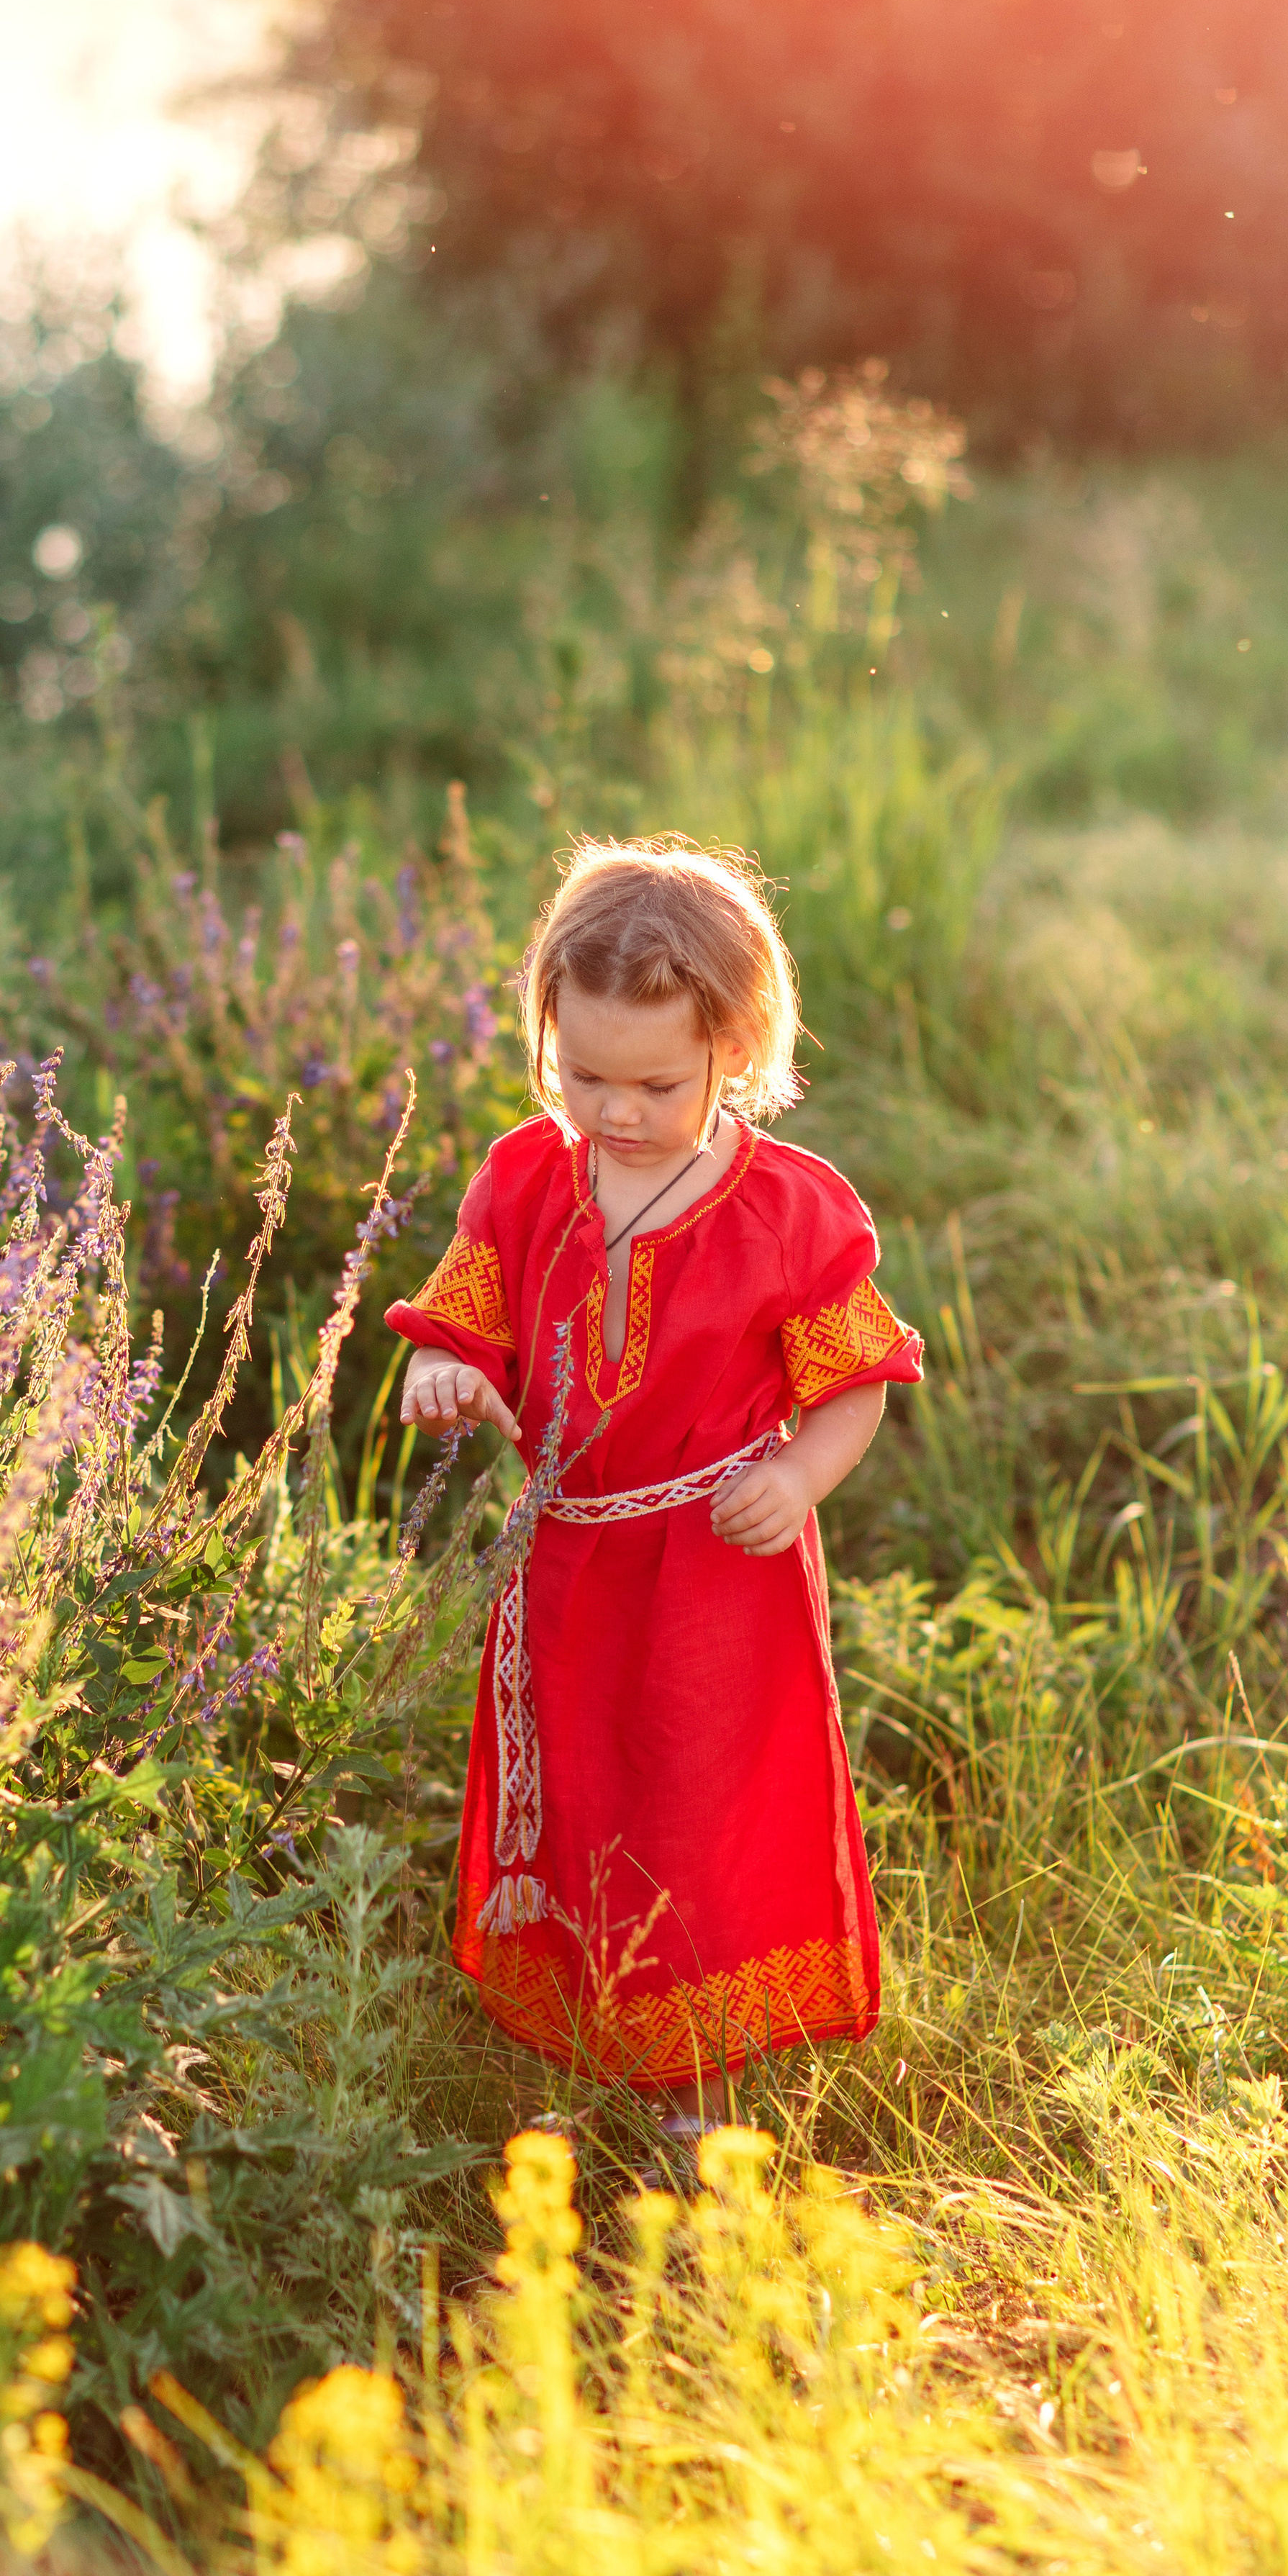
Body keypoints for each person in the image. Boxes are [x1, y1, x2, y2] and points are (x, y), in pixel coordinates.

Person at [387, 836, 922, 2128]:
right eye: (584, 1075)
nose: (615, 1111)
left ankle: (700, 2083)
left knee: (696, 1808)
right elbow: (464, 1324)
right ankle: (590, 2038)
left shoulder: (787, 1211)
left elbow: (854, 1383)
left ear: (731, 1046)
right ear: (550, 1030)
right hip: (571, 1558)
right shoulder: (528, 1177)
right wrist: (445, 1374)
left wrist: (799, 1477)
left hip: (716, 1568)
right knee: (582, 1794)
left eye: (655, 1083)